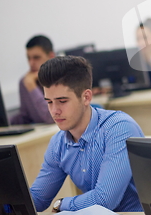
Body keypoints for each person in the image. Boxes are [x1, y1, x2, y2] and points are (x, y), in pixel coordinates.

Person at [30, 56, 144, 212]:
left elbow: (104, 200)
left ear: (86, 97)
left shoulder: (118, 128)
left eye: (62, 101)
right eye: (49, 102)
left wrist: (62, 204)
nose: (54, 111)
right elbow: (37, 199)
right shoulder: (58, 143)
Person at [11, 35, 56, 125]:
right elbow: (25, 117)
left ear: (51, 56)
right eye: (28, 58)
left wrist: (32, 87)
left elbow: (52, 117)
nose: (31, 63)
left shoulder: (62, 78)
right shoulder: (25, 82)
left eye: (36, 57)